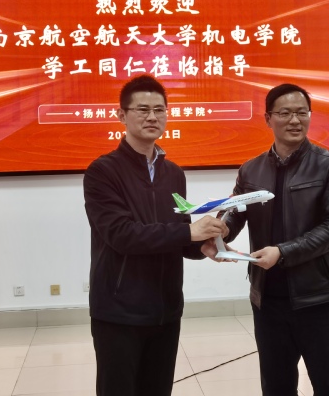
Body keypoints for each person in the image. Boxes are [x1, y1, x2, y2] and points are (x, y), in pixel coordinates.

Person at [83, 74, 227, 396]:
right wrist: (188, 232)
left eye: (159, 110)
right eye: (143, 109)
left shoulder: (173, 173)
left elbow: (179, 235)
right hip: (119, 311)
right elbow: (121, 235)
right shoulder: (102, 171)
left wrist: (204, 244)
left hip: (166, 309)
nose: (152, 117)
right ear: (121, 115)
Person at [221, 83, 329, 396]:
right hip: (267, 299)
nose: (295, 120)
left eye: (301, 113)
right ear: (268, 118)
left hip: (318, 298)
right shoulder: (251, 170)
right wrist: (219, 233)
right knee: (276, 386)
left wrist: (283, 252)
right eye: (285, 113)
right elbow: (234, 212)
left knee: (328, 384)